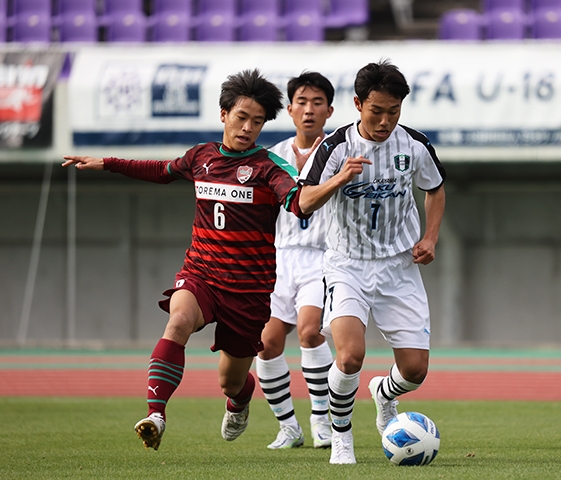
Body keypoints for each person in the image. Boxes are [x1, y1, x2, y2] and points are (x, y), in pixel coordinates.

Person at [62, 69, 311, 451]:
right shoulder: (201, 157)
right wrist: (109, 162)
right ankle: (156, 414)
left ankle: (240, 401)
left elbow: (295, 198)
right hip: (202, 273)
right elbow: (161, 171)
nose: (248, 127)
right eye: (242, 117)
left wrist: (325, 187)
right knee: (177, 321)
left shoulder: (269, 168)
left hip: (248, 288)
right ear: (224, 114)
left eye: (257, 121)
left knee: (231, 380)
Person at [297, 60, 446, 464]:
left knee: (415, 371)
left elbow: (434, 188)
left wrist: (430, 237)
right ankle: (342, 438)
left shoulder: (414, 145)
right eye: (376, 111)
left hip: (399, 266)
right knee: (349, 357)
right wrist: (338, 180)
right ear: (358, 104)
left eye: (393, 112)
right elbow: (302, 202)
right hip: (348, 265)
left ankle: (384, 394)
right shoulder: (334, 148)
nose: (384, 121)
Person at [256, 72, 335, 450]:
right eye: (301, 102)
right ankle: (289, 427)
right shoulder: (273, 157)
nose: (309, 110)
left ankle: (322, 419)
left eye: (317, 102)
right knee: (266, 343)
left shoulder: (339, 152)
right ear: (289, 110)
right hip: (279, 259)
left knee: (309, 331)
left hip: (322, 257)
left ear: (330, 110)